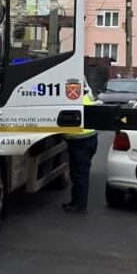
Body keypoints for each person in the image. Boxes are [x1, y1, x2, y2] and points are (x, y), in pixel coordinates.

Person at [62, 84, 98, 214]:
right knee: (78, 175)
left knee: (80, 176)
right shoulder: (86, 96)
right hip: (87, 140)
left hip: (81, 141)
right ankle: (76, 202)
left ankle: (79, 205)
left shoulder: (73, 100)